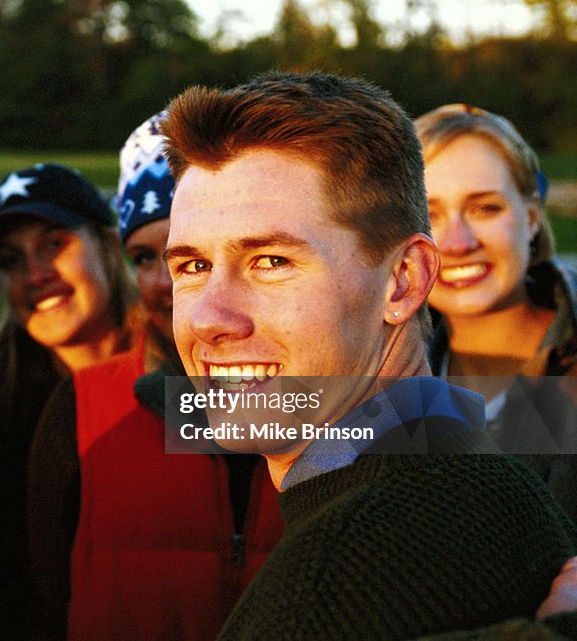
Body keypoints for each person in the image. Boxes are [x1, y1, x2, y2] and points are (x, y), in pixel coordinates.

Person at [160, 73, 576, 639]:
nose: (210, 317)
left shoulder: (336, 572)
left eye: (272, 261)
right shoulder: (488, 481)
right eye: (192, 266)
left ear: (404, 282)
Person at [27, 113, 284, 640]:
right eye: (147, 255)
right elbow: (48, 609)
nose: (170, 282)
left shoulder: (354, 406)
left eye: (198, 253)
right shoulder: (81, 410)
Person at [0, 162, 137, 639]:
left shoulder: (183, 370)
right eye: (10, 260)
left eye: (54, 245)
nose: (36, 275)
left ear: (108, 245)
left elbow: (346, 433)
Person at [418, 104, 577, 520]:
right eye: (428, 215)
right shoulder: (381, 385)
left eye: (485, 208)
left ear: (532, 216)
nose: (456, 242)